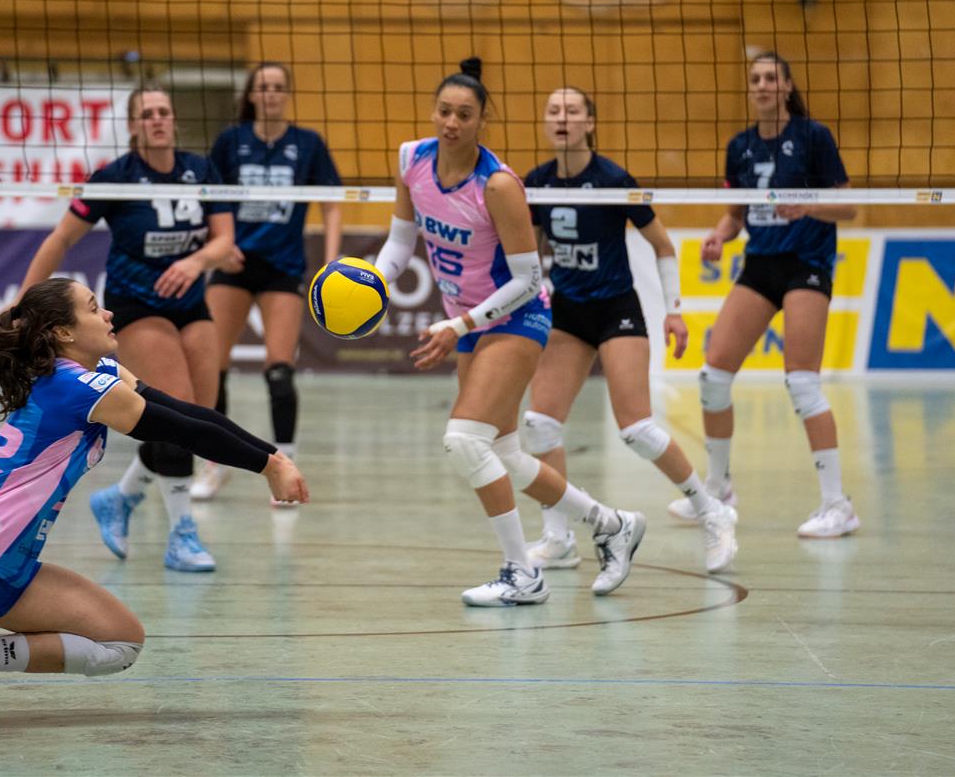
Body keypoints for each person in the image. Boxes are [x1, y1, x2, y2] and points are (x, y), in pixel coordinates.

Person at [0, 278, 307, 721]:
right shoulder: (74, 387)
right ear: (63, 332)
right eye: (93, 308)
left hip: (12, 566)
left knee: (119, 642)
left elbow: (187, 412)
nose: (108, 313)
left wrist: (273, 458)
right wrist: (268, 466)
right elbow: (182, 431)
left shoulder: (99, 372)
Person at [373, 58, 645, 607]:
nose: (452, 123)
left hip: (516, 317)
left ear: (482, 120)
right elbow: (402, 242)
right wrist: (373, 282)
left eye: (464, 115)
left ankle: (523, 574)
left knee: (464, 441)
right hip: (468, 321)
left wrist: (460, 324)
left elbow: (529, 279)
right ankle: (612, 524)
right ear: (434, 112)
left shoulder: (497, 185)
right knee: (506, 453)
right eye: (444, 111)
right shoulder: (412, 160)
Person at [20, 83, 237, 571]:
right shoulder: (115, 177)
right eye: (147, 113)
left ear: (174, 120)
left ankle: (119, 497)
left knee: (197, 417)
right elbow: (60, 239)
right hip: (136, 305)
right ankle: (182, 534)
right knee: (177, 410)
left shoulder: (201, 170)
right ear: (134, 125)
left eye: (164, 111)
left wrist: (196, 261)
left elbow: (225, 241)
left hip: (190, 303)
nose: (157, 119)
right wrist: (22, 300)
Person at [520, 86, 738, 574]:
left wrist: (674, 311)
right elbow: (529, 253)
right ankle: (557, 538)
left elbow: (662, 246)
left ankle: (711, 510)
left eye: (572, 110)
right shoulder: (537, 182)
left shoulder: (613, 180)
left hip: (616, 308)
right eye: (553, 111)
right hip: (568, 311)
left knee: (636, 428)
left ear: (589, 122)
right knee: (539, 423)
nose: (562, 118)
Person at [683, 51, 859, 538]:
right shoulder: (739, 146)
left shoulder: (813, 136)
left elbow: (849, 206)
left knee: (802, 383)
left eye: (770, 78)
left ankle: (838, 505)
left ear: (786, 87)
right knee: (712, 376)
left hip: (806, 264)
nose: (761, 85)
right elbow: (736, 213)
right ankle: (718, 488)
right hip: (760, 264)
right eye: (755, 79)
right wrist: (719, 235)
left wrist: (807, 206)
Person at [194, 62, 343, 501]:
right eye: (264, 87)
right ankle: (214, 465)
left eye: (279, 87)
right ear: (252, 95)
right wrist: (219, 245)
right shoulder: (231, 141)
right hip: (235, 264)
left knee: (279, 370)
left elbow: (332, 202)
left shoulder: (308, 143)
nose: (272, 94)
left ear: (287, 94)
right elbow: (207, 198)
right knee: (213, 367)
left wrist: (332, 260)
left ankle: (286, 471)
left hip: (283, 266)